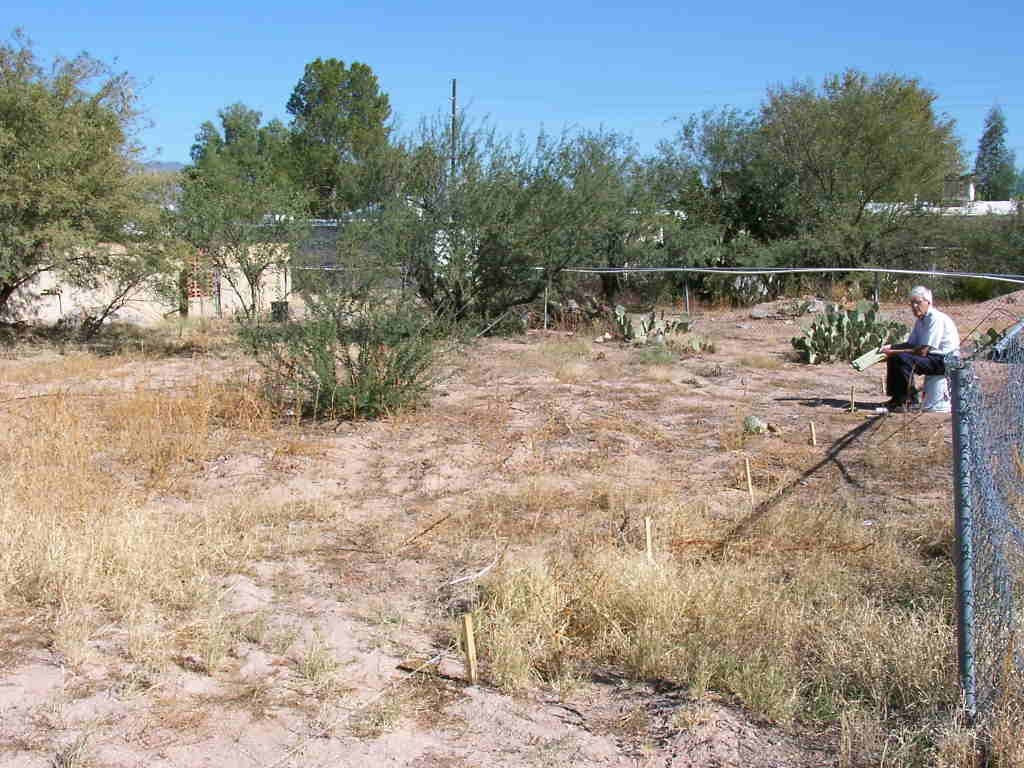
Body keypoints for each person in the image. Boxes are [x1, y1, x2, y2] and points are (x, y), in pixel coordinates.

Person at [880, 286, 960, 412]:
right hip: (933, 358)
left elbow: (923, 351)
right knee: (894, 357)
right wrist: (890, 347)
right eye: (912, 303)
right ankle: (897, 398)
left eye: (918, 302)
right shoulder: (921, 320)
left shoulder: (935, 319)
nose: (914, 306)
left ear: (928, 302)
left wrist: (894, 351)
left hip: (945, 361)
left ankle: (910, 400)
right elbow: (911, 344)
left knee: (901, 358)